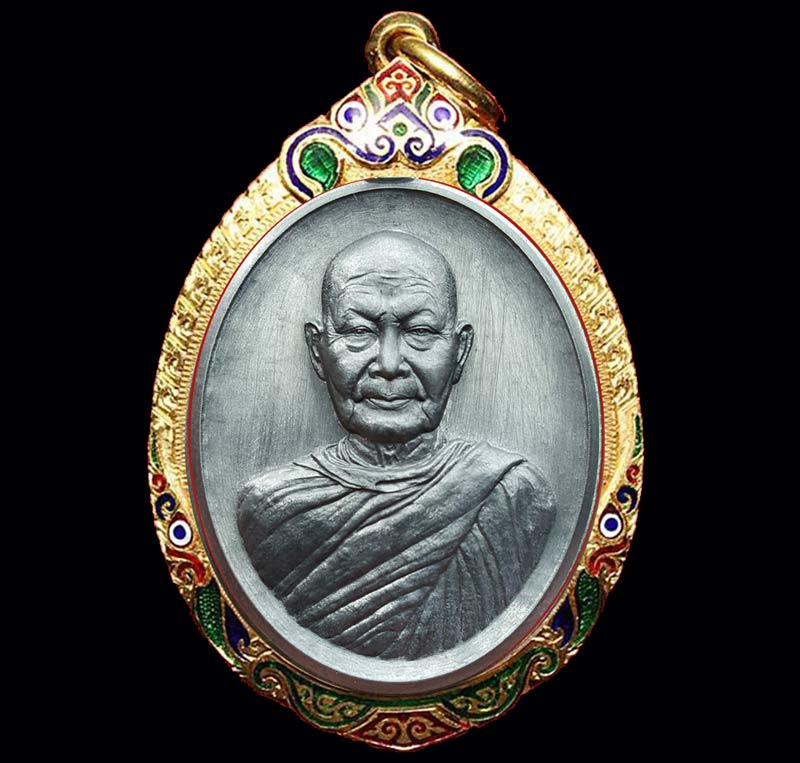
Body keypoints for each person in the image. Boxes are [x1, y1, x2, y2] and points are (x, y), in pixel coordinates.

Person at [237, 230, 555, 660]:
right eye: (358, 331)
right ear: (317, 350)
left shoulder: (512, 496)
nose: (388, 365)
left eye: (420, 331)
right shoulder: (271, 508)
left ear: (460, 351)